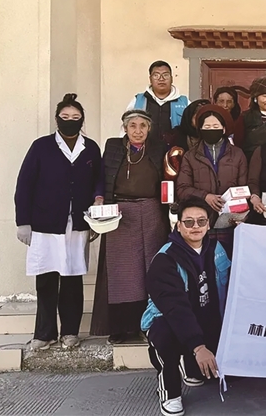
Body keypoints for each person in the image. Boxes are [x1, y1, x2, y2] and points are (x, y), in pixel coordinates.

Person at [15, 94, 103, 351]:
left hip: (78, 223)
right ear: (57, 120)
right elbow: (24, 184)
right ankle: (45, 333)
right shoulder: (41, 146)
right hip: (45, 223)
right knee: (46, 278)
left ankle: (70, 331)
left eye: (75, 117)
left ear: (82, 120)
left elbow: (99, 180)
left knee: (73, 277)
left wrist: (97, 207)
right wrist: (23, 221)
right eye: (65, 117)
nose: (70, 121)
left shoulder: (90, 148)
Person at [142, 198, 231, 416]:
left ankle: (190, 366)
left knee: (214, 375)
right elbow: (176, 309)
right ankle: (169, 391)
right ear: (179, 225)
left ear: (208, 224)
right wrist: (199, 347)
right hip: (169, 320)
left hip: (204, 317)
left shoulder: (216, 249)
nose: (195, 227)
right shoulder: (165, 259)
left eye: (201, 221)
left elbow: (230, 288)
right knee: (164, 334)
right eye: (189, 222)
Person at [93, 109, 169, 344]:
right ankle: (121, 328)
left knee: (151, 268)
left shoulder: (159, 148)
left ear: (149, 129)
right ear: (125, 128)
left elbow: (168, 178)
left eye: (143, 126)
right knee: (122, 273)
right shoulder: (113, 147)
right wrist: (99, 197)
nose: (138, 131)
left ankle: (150, 325)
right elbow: (101, 175)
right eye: (132, 126)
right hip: (121, 213)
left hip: (151, 212)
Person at [175, 105, 248, 250]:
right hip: (200, 222)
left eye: (215, 126)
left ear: (224, 129)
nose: (211, 129)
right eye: (207, 126)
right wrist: (206, 196)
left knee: (228, 258)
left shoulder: (238, 154)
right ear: (200, 129)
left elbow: (244, 189)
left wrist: (240, 214)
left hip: (230, 222)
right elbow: (182, 189)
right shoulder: (191, 156)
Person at [125, 60, 189, 146]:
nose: (161, 79)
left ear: (172, 78)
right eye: (156, 75)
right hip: (144, 151)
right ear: (150, 79)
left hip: (175, 151)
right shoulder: (138, 100)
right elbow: (126, 127)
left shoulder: (184, 102)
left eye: (165, 75)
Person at [233, 76, 266, 160]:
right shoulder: (245, 118)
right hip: (251, 162)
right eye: (265, 96)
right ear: (255, 98)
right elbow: (237, 144)